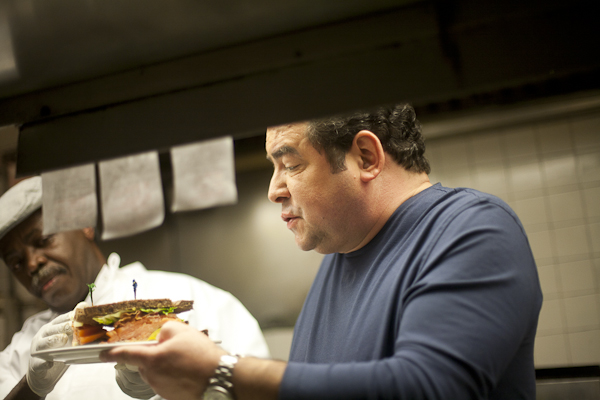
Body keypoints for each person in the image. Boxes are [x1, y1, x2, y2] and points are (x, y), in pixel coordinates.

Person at [102, 104, 543, 400]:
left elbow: (426, 389)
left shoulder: (472, 229)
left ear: (366, 157)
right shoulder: (338, 257)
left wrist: (223, 372)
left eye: (291, 164)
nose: (274, 189)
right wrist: (182, 376)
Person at [0, 176, 270, 400]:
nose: (32, 264)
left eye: (43, 240)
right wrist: (32, 388)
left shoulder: (188, 298)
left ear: (83, 225)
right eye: (16, 262)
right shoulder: (22, 348)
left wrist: (178, 386)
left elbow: (259, 389)